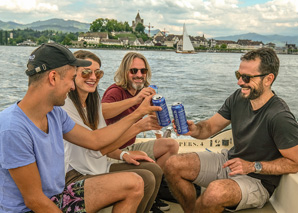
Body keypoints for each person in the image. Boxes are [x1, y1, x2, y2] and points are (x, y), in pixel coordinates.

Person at [0, 43, 161, 213]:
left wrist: (138, 114)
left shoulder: (54, 113)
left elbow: (95, 140)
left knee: (135, 183)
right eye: (71, 78)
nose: (72, 87)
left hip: (58, 196)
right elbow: (35, 201)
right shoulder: (13, 129)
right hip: (31, 209)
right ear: (53, 78)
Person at [163, 47, 298, 213]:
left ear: (268, 79)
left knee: (214, 193)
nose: (240, 82)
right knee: (172, 164)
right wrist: (194, 129)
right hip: (229, 161)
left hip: (257, 180)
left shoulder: (280, 116)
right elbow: (210, 127)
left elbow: (295, 162)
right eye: (238, 75)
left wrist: (252, 166)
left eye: (247, 77)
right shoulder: (238, 98)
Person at [62, 50, 163, 213]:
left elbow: (103, 145)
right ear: (72, 73)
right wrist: (138, 120)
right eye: (86, 72)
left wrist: (123, 155)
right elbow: (96, 145)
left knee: (153, 172)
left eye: (98, 73)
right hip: (76, 173)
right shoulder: (66, 105)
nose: (93, 77)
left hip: (97, 166)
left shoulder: (92, 102)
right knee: (141, 180)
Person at [101, 51, 179, 211]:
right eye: (133, 71)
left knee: (171, 145)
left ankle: (154, 192)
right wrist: (136, 101)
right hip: (112, 151)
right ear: (125, 72)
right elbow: (102, 111)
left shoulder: (142, 92)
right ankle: (148, 190)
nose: (139, 75)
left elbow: (152, 117)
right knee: (151, 169)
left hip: (130, 146)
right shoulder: (115, 92)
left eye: (143, 71)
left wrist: (159, 137)